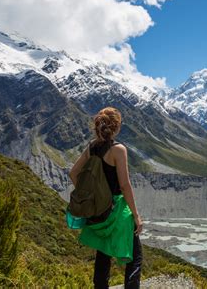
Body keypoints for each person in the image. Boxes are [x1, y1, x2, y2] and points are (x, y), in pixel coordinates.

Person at [69, 106, 143, 289]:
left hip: (97, 212)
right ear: (116, 127)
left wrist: (92, 195)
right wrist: (136, 215)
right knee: (135, 256)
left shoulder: (91, 148)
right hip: (116, 210)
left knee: (103, 254)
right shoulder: (118, 150)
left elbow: (73, 173)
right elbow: (125, 185)